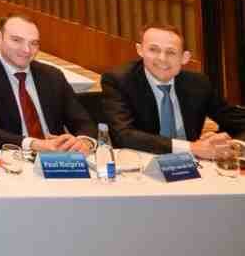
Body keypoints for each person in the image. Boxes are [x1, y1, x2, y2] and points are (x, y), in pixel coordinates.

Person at [100, 23, 245, 158]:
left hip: (192, 166)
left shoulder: (198, 83)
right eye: (153, 50)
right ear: (140, 50)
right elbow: (124, 135)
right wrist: (192, 148)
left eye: (171, 52)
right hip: (141, 164)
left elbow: (238, 121)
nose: (162, 58)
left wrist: (229, 144)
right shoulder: (119, 81)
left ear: (184, 58)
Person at [0, 14, 96, 152]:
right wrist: (34, 144)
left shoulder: (52, 75)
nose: (27, 50)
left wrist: (85, 141)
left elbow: (82, 121)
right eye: (17, 40)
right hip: (9, 156)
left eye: (33, 43)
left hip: (56, 159)